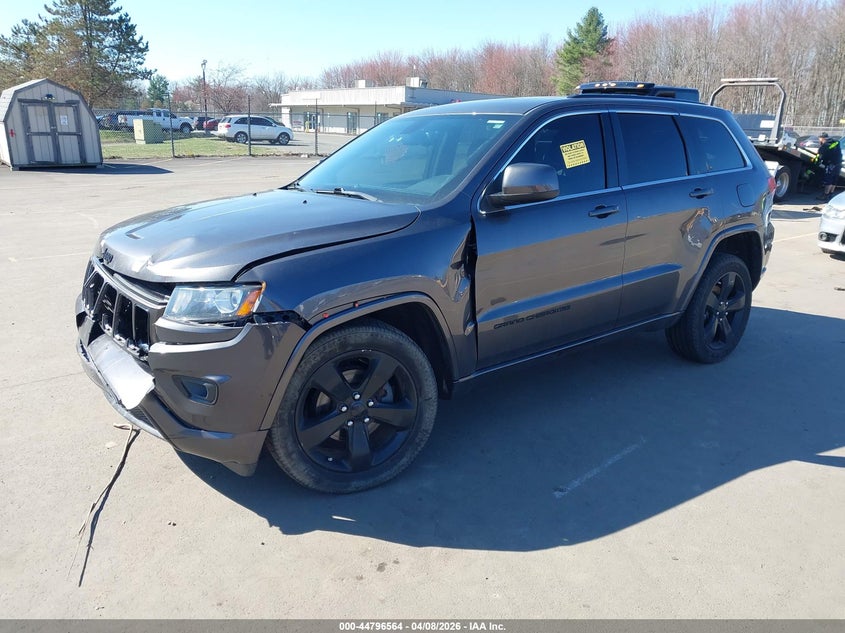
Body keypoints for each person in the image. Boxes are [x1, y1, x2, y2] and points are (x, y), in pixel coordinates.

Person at [815, 132, 841, 201]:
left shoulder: (824, 146)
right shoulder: (836, 142)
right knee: (834, 180)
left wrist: (817, 162)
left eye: (819, 139)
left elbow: (819, 156)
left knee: (828, 180)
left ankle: (825, 195)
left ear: (822, 138)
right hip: (838, 164)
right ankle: (831, 194)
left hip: (831, 164)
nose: (819, 140)